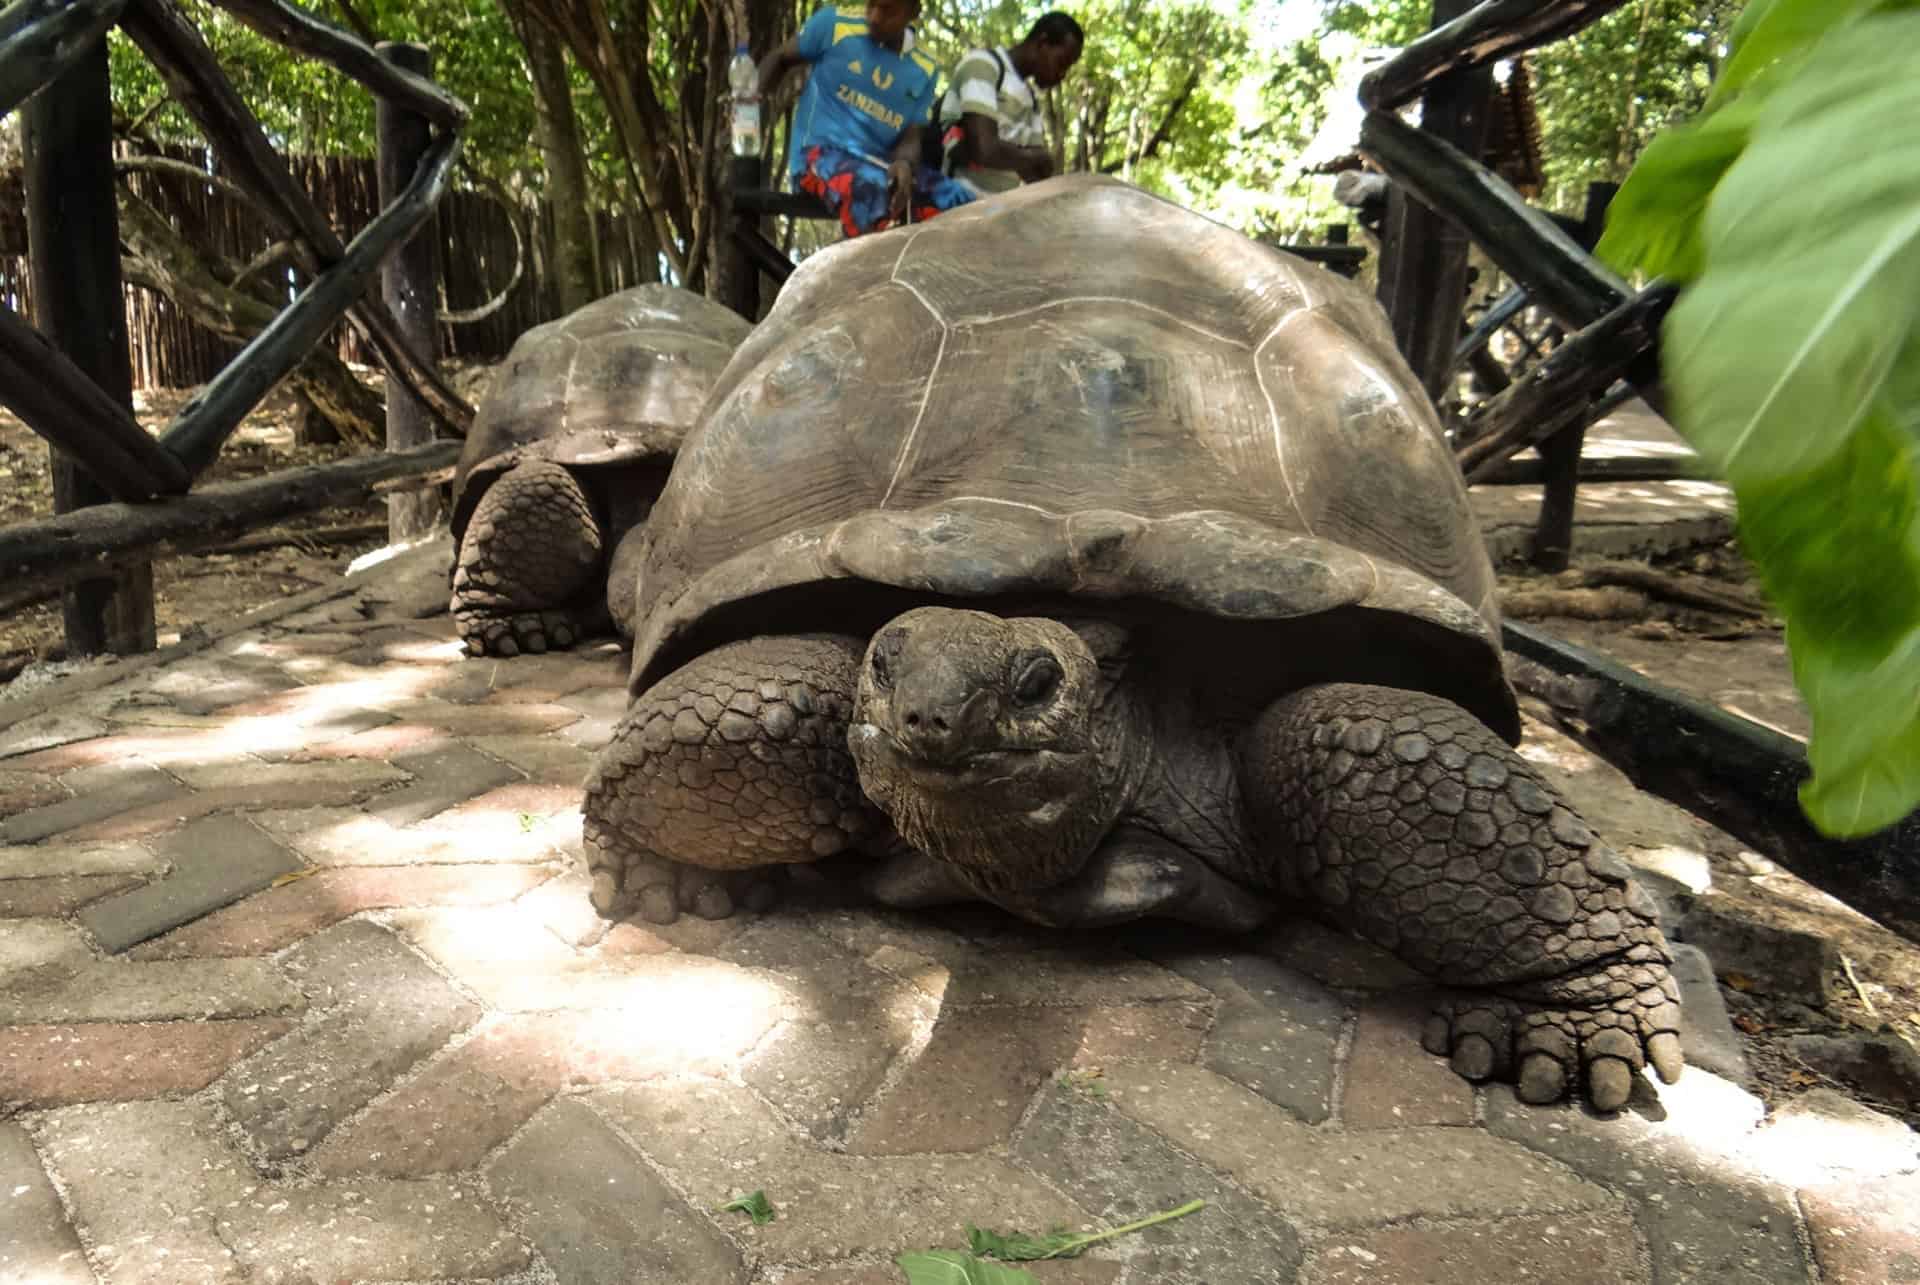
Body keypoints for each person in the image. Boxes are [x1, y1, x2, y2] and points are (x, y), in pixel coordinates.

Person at [759, 0, 976, 238]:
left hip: (880, 165)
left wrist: (904, 162)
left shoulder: (924, 68)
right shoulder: (835, 25)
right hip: (818, 155)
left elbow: (912, 134)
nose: (874, 16)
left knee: (960, 201)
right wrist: (748, 106)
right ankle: (863, 274)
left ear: (913, 13)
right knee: (871, 192)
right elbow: (780, 57)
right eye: (871, 5)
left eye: (887, 10)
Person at [935, 12, 1084, 198]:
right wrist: (1031, 157)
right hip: (957, 202)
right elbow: (985, 149)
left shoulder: (1030, 100)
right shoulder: (983, 65)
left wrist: (1029, 159)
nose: (1062, 74)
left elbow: (1037, 174)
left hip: (1000, 211)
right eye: (1061, 63)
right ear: (1042, 43)